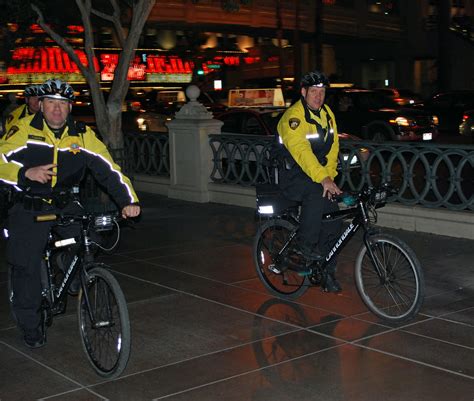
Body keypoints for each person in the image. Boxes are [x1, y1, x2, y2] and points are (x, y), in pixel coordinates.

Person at [0, 79, 140, 349]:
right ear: (41, 105)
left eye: (62, 104)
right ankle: (31, 324)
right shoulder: (23, 130)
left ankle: (72, 269)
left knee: (88, 241)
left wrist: (128, 201)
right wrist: (24, 173)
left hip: (64, 203)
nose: (57, 110)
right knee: (26, 265)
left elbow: (108, 169)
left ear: (69, 107)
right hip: (29, 203)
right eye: (51, 103)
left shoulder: (81, 134)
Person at [275, 70, 343, 292]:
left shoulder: (327, 114)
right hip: (292, 174)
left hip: (316, 174)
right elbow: (302, 151)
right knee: (316, 192)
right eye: (314, 91)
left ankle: (326, 271)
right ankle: (304, 246)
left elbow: (333, 149)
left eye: (322, 92)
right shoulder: (293, 118)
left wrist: (330, 177)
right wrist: (323, 178)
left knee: (334, 218)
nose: (318, 96)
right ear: (303, 92)